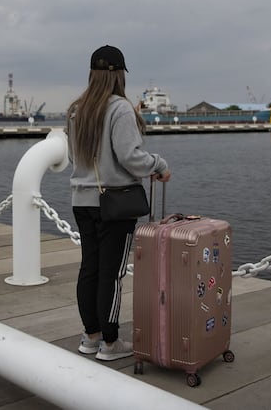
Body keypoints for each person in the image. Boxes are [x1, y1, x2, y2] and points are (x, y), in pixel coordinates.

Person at [66, 45, 171, 361]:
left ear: (92, 73)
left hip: (82, 201)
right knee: (111, 274)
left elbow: (74, 157)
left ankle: (91, 336)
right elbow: (131, 158)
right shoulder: (121, 109)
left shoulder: (75, 109)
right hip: (114, 204)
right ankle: (110, 344)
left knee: (90, 270)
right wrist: (160, 165)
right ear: (119, 74)